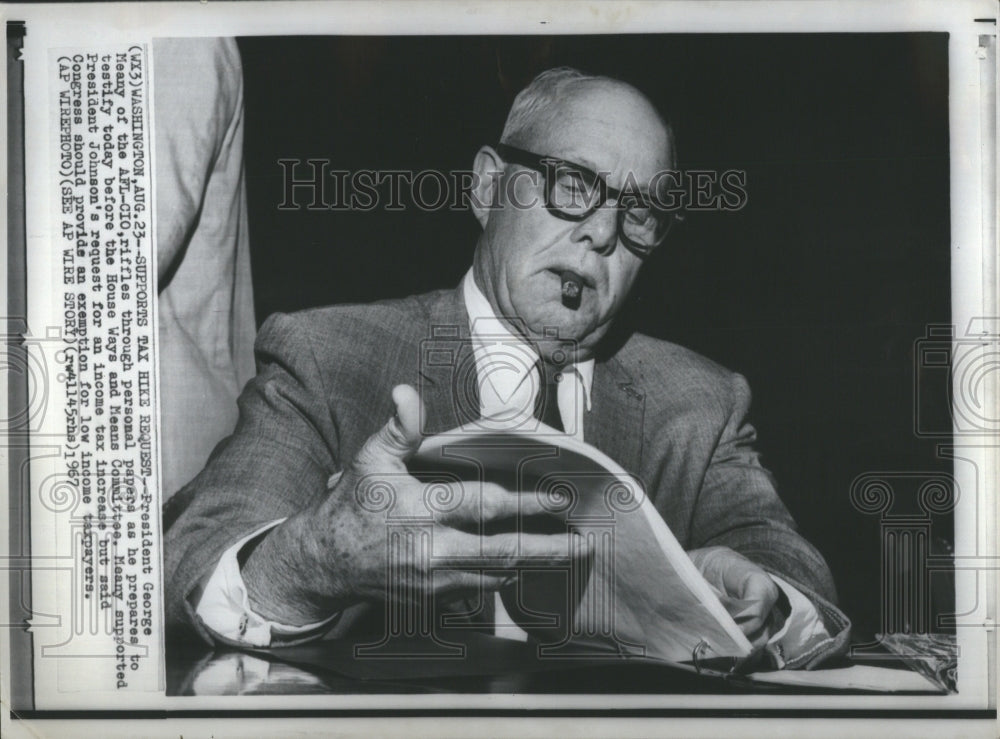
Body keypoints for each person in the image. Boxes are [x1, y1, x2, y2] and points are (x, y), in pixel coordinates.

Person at [165, 68, 850, 670]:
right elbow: (190, 561)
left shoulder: (700, 403)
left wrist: (763, 595)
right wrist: (317, 556)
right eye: (575, 183)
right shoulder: (329, 356)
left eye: (638, 212)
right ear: (490, 184)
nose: (603, 233)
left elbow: (797, 574)